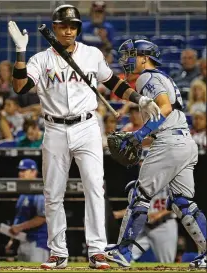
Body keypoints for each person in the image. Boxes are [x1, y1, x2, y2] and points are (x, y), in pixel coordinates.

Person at [8, 5, 160, 270]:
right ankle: (58, 253)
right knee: (53, 193)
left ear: (78, 28)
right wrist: (20, 52)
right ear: (54, 27)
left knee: (94, 188)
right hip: (54, 128)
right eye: (63, 26)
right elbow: (20, 86)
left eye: (73, 26)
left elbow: (113, 83)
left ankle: (97, 251)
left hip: (87, 127)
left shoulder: (92, 54)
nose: (68, 30)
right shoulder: (40, 60)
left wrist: (140, 99)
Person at [104, 39, 207, 269]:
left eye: (131, 55)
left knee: (139, 194)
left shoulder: (146, 77)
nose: (127, 60)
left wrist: (140, 135)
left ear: (144, 57)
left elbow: (165, 107)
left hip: (169, 142)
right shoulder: (163, 77)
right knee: (184, 202)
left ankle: (123, 252)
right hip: (184, 142)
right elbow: (168, 111)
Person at [5, 159, 49, 262]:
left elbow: (42, 218)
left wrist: (19, 227)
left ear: (34, 172)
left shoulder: (39, 191)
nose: (21, 173)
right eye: (20, 171)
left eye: (24, 171)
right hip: (23, 241)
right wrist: (12, 240)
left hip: (38, 243)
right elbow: (19, 219)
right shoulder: (23, 193)